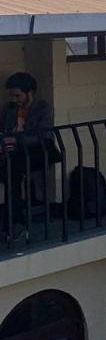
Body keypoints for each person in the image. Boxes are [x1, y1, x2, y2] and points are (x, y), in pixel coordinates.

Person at [1, 73, 55, 230]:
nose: (14, 100)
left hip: (36, 151)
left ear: (30, 92)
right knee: (11, 174)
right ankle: (15, 220)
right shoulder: (8, 108)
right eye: (11, 96)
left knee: (11, 173)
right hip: (12, 153)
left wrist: (16, 140)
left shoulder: (42, 108)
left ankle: (13, 222)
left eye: (18, 95)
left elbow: (43, 135)